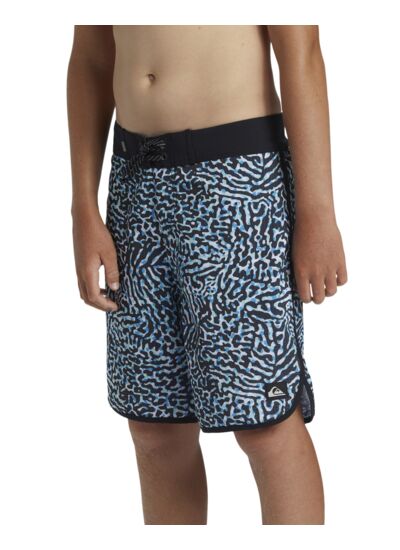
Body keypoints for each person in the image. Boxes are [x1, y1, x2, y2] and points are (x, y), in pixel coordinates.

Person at [67, 25, 347, 525]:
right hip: (135, 185)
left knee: (263, 424)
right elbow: (91, 57)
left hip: (237, 183)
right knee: (154, 426)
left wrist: (317, 212)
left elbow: (300, 53)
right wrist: (83, 207)